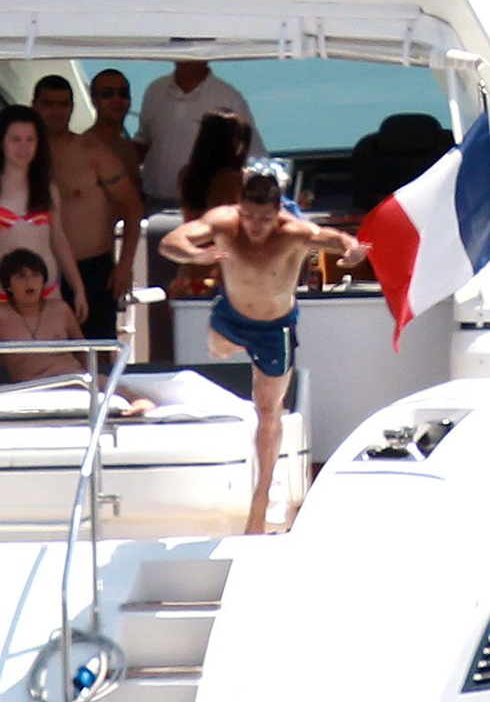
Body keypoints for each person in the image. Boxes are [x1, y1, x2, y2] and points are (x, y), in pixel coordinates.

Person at [158, 170, 367, 533]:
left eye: (265, 219)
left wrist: (351, 252)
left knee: (269, 411)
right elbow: (171, 241)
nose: (255, 227)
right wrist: (195, 252)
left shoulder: (295, 233)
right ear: (240, 209)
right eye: (249, 217)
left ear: (279, 214)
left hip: (274, 328)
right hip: (232, 316)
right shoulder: (224, 223)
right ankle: (228, 341)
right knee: (218, 349)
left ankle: (260, 501)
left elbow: (337, 239)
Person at [32, 74, 144, 341]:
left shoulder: (92, 151)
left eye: (63, 104)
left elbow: (133, 206)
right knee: (39, 353)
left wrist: (125, 265)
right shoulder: (21, 153)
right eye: (48, 104)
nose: (56, 111)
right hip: (35, 270)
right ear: (34, 105)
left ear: (72, 107)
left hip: (92, 268)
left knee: (97, 351)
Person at [0, 248, 155, 415]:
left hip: (73, 377)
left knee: (102, 382)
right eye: (21, 276)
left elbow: (83, 350)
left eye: (35, 275)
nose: (29, 282)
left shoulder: (60, 309)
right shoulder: (2, 315)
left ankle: (137, 401)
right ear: (8, 284)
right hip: (32, 384)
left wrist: (92, 377)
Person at [134, 60, 266, 212]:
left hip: (205, 208)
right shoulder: (154, 90)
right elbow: (143, 141)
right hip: (154, 203)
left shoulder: (229, 96)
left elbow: (255, 156)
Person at [0, 104, 88, 321]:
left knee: (51, 354)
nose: (23, 147)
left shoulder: (48, 189)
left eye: (30, 139)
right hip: (3, 297)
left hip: (47, 293)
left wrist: (78, 288)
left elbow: (59, 241)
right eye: (16, 139)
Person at [169, 108, 252, 298]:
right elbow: (230, 227)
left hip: (187, 273)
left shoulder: (186, 174)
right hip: (218, 273)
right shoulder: (231, 179)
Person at [86, 68, 141, 186]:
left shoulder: (128, 147)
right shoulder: (84, 147)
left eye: (123, 93)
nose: (117, 99)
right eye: (107, 94)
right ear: (94, 100)